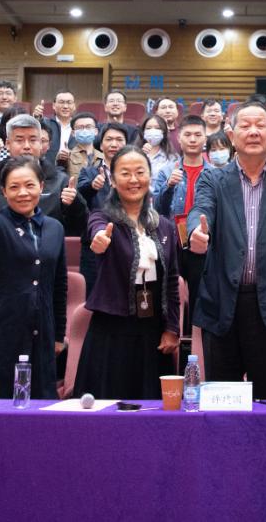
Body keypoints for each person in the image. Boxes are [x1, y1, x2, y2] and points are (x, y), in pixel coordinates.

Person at [189, 102, 266, 399]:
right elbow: (200, 209)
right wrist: (196, 231)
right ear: (232, 136)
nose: (253, 132)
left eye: (260, 125)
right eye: (245, 126)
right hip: (222, 305)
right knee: (222, 401)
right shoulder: (213, 178)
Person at [74, 146, 180, 399]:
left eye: (140, 172)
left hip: (153, 331)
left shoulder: (164, 226)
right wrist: (99, 240)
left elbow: (172, 281)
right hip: (111, 329)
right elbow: (97, 231)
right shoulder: (102, 217)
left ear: (150, 176)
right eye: (125, 173)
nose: (134, 179)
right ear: (112, 179)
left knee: (151, 407)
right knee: (108, 404)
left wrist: (172, 328)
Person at [0, 156, 68, 399]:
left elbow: (59, 285)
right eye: (14, 187)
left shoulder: (55, 228)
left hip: (40, 331)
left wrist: (59, 335)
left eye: (29, 185)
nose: (23, 193)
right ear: (3, 191)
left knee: (38, 406)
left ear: (41, 186)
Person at [155, 116, 209, 322]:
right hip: (172, 241)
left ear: (205, 138)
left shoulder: (215, 174)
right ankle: (172, 334)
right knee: (170, 294)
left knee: (200, 296)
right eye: (188, 135)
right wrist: (169, 186)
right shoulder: (166, 171)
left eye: (197, 135)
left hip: (201, 242)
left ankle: (197, 337)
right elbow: (158, 209)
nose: (193, 139)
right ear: (179, 138)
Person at [76, 123, 129, 289]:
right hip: (95, 243)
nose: (114, 144)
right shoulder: (89, 172)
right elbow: (80, 195)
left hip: (126, 242)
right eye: (109, 139)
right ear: (101, 143)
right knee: (93, 294)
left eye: (119, 139)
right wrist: (92, 186)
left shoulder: (134, 174)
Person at [138, 113, 174, 179]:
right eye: (148, 128)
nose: (153, 131)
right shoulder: (134, 154)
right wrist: (140, 155)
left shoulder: (172, 157)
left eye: (157, 128)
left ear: (164, 132)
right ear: (143, 132)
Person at [66, 110, 100, 179]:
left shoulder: (103, 157)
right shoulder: (66, 156)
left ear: (96, 131)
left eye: (88, 127)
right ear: (73, 133)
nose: (84, 130)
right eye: (80, 127)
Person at [50, 90, 77, 168]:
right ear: (54, 105)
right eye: (61, 102)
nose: (65, 106)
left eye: (69, 102)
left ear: (74, 106)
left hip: (74, 169)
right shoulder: (46, 124)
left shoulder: (80, 126)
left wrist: (72, 155)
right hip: (50, 169)